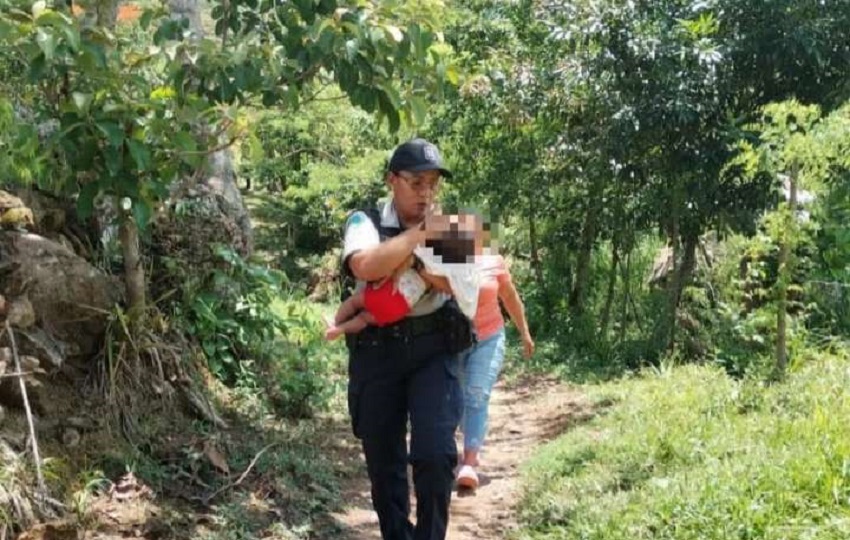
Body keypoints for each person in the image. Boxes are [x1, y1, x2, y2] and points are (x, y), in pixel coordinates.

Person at [341, 138, 475, 540]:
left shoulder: (452, 226)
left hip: (433, 347)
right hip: (378, 352)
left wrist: (403, 257)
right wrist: (418, 240)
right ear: (392, 181)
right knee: (385, 464)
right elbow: (364, 265)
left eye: (433, 184)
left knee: (435, 456)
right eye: (417, 182)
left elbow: (456, 283)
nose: (427, 192)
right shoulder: (363, 221)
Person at [328, 213, 486, 341]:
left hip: (387, 291)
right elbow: (452, 287)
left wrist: (394, 270)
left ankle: (336, 325)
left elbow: (403, 263)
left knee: (353, 303)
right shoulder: (452, 266)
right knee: (363, 319)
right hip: (400, 307)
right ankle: (340, 329)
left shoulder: (425, 249)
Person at [455, 249, 535, 490]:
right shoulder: (443, 261)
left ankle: (469, 462)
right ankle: (470, 442)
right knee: (457, 399)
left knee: (477, 394)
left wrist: (525, 333)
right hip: (453, 341)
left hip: (489, 337)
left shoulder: (493, 262)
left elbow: (510, 297)